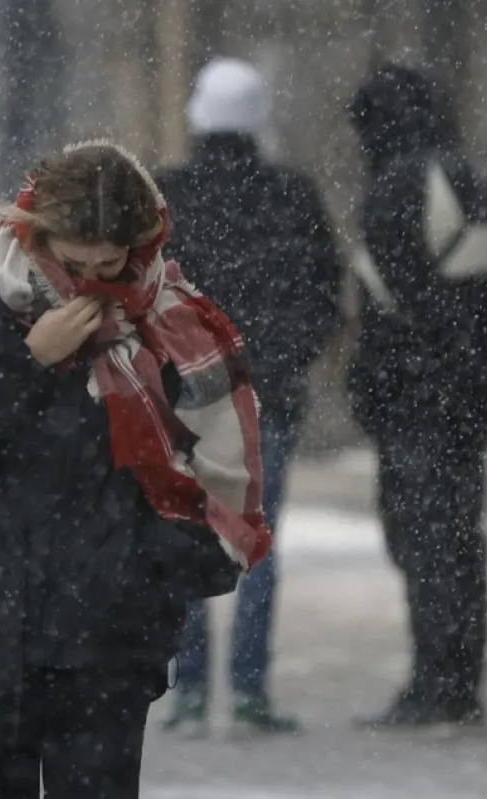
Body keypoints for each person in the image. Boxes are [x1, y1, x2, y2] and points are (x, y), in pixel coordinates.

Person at [0, 141, 271, 798]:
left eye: (109, 265)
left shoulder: (171, 319)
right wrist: (21, 355)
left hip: (107, 645)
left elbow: (220, 478)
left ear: (139, 247)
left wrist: (149, 571)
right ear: (34, 235)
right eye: (72, 262)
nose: (90, 282)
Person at [154, 57, 343, 735]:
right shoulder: (293, 195)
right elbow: (324, 293)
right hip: (266, 397)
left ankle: (190, 690)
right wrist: (282, 362)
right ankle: (250, 690)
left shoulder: (165, 197)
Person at [347, 64, 487, 731]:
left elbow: (396, 307)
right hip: (466, 396)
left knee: (423, 541)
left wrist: (374, 390)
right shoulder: (476, 181)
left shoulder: (400, 185)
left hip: (417, 400)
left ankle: (436, 683)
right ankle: (460, 681)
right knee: (459, 540)